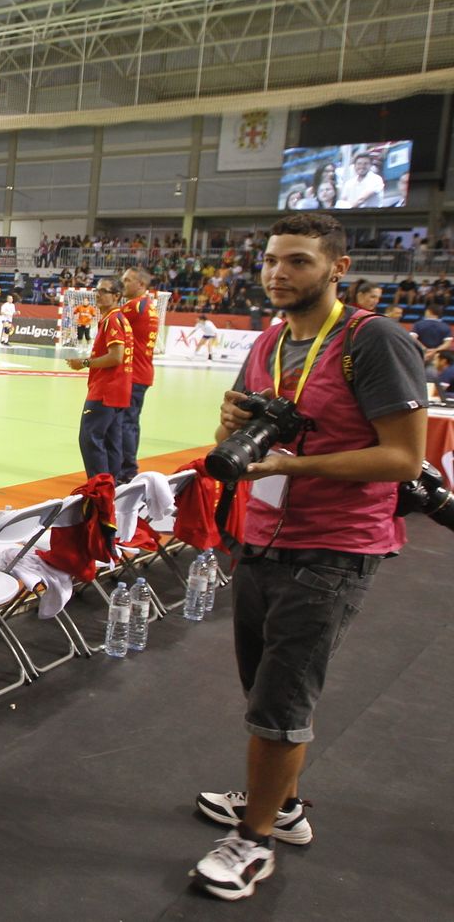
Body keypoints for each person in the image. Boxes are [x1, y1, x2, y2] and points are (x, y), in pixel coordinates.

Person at [189, 212, 427, 901]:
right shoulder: (266, 342)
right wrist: (232, 428)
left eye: (296, 261)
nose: (277, 273)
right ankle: (282, 806)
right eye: (270, 261)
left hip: (333, 545)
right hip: (263, 536)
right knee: (263, 684)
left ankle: (253, 842)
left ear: (337, 268)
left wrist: (293, 468)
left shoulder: (372, 339)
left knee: (282, 698)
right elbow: (233, 435)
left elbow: (404, 456)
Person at [65, 279, 132, 478]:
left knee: (90, 439)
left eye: (104, 291)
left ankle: (98, 489)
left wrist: (84, 363)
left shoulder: (112, 319)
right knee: (112, 441)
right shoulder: (119, 319)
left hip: (105, 391)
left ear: (117, 296)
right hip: (119, 390)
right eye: (97, 290)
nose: (98, 294)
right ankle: (112, 488)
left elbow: (116, 357)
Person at [117, 267, 160, 482]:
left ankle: (126, 472)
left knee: (124, 423)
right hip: (142, 372)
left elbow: (110, 328)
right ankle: (126, 468)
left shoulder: (132, 306)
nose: (122, 283)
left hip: (131, 374)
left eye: (127, 280)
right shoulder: (149, 306)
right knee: (131, 423)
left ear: (141, 285)